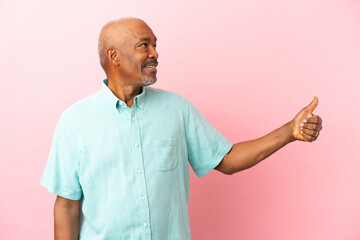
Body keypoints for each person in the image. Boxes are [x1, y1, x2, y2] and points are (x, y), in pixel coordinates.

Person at [40, 17, 323, 240]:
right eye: (144, 45)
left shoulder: (177, 109)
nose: (155, 53)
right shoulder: (74, 122)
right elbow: (66, 205)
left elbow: (227, 159)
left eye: (155, 44)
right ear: (114, 56)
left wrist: (289, 131)